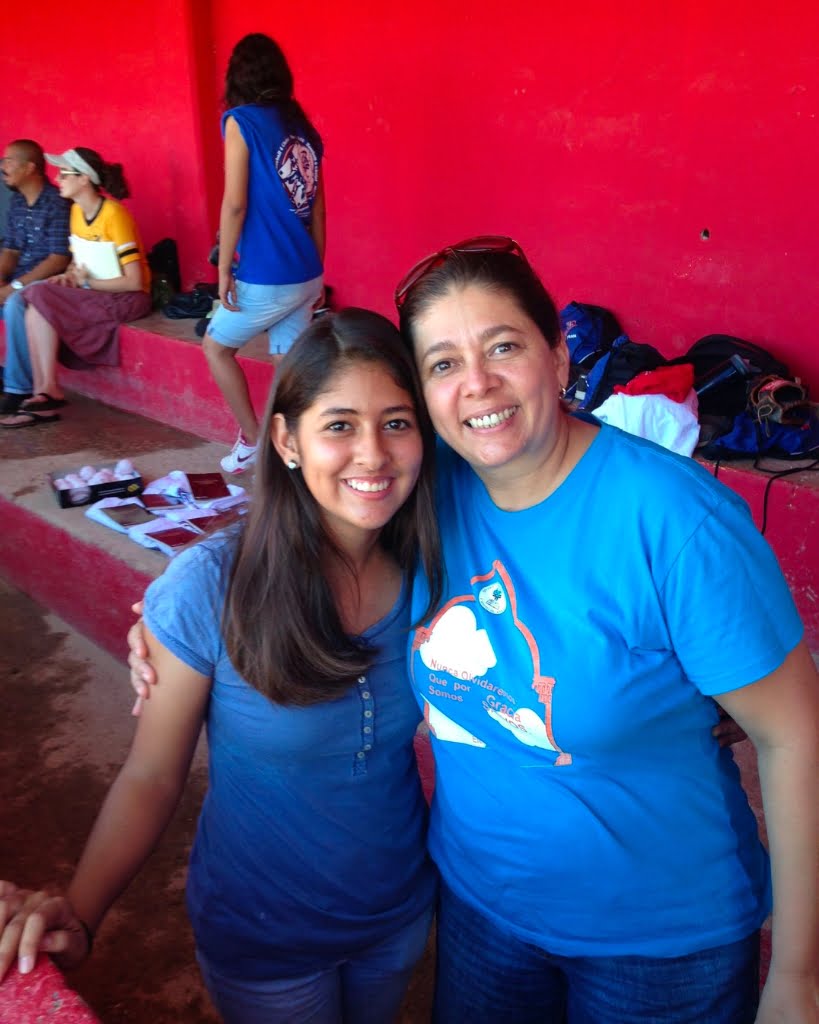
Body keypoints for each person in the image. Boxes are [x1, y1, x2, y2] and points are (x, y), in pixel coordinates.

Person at [128, 238, 816, 1023]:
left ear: (559, 358)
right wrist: (167, 613)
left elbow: (796, 736)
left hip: (656, 944)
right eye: (443, 364)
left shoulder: (671, 520)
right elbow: (299, 529)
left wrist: (797, 975)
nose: (478, 383)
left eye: (503, 346)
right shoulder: (422, 494)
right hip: (481, 917)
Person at [0, 309, 443, 1024]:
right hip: (265, 937)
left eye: (396, 422)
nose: (373, 454)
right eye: (338, 425)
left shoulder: (436, 571)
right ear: (285, 440)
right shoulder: (210, 588)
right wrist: (81, 912)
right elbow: (151, 775)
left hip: (396, 914)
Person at [204, 33, 326, 475]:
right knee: (287, 363)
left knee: (215, 348)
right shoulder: (303, 129)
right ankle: (298, 445)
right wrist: (314, 268)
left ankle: (254, 442)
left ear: (237, 77)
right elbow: (318, 210)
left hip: (268, 275)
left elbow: (234, 203)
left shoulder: (241, 121)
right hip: (305, 272)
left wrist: (223, 269)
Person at [0, 147, 151, 429]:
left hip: (126, 297)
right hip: (96, 292)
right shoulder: (78, 213)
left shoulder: (114, 214)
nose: (57, 179)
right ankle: (43, 392)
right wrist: (70, 276)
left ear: (84, 179)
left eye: (65, 174)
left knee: (36, 293)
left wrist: (83, 282)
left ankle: (45, 390)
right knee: (35, 300)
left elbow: (134, 282)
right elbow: (79, 263)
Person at [0, 138, 71, 414]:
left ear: (30, 167)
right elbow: (11, 249)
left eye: (8, 161)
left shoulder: (55, 203)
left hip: (49, 281)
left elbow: (58, 259)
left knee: (17, 302)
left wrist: (14, 285)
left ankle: (19, 389)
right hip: (21, 277)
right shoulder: (18, 201)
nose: (3, 167)